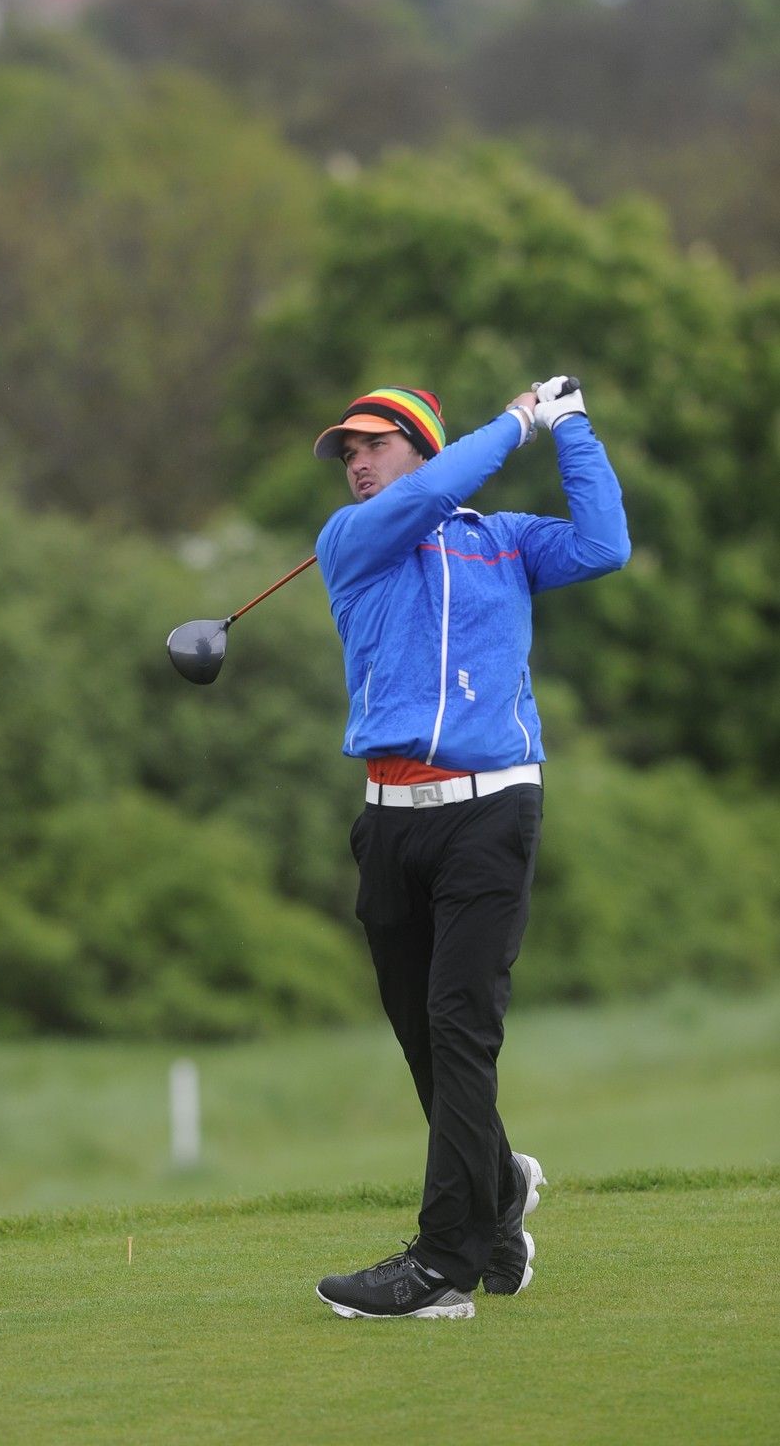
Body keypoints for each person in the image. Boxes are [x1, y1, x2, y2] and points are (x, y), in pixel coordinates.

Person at [311, 377, 630, 1322]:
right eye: (347, 453)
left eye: (373, 445)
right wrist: (516, 421)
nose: (356, 464)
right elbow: (429, 496)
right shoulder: (351, 539)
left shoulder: (505, 541)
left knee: (459, 1028)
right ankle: (498, 1190)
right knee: (422, 1037)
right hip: (388, 821)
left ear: (421, 444)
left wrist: (566, 426)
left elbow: (605, 545)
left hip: (491, 814)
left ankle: (442, 1267)